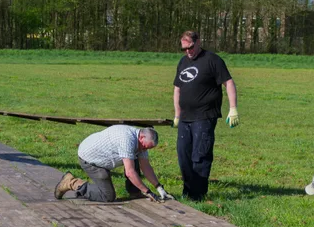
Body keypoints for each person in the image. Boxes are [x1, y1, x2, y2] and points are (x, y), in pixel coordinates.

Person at [172, 30, 239, 201]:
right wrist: (177, 114)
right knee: (183, 156)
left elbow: (229, 83)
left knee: (200, 155)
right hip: (185, 117)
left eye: (191, 47)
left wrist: (233, 109)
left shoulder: (212, 60)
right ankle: (187, 191)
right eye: (184, 49)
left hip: (204, 116)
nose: (188, 51)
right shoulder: (183, 62)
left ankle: (198, 194)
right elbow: (177, 88)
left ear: (199, 42)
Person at [54, 126, 174, 203]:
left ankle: (134, 192)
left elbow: (146, 166)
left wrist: (159, 188)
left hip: (103, 157)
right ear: (142, 136)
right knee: (107, 196)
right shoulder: (126, 139)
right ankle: (71, 182)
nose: (144, 150)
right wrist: (147, 191)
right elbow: (130, 172)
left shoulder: (140, 143)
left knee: (135, 158)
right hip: (89, 158)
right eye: (145, 147)